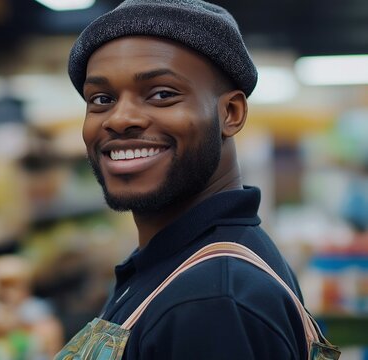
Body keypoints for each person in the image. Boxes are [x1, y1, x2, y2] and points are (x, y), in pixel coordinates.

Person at [56, 0, 339, 359]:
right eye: (101, 99)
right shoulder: (189, 260)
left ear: (230, 113)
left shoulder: (211, 301)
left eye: (162, 94)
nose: (119, 118)